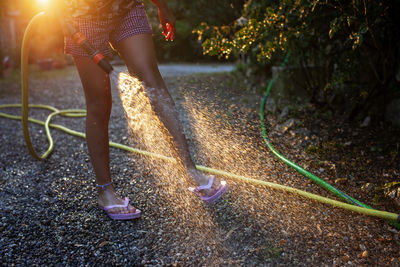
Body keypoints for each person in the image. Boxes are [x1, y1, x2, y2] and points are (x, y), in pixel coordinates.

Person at [62, 0, 228, 220]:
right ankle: (106, 192)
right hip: (82, 16)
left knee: (153, 83)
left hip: (126, 8)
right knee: (99, 103)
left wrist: (162, 6)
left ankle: (191, 171)